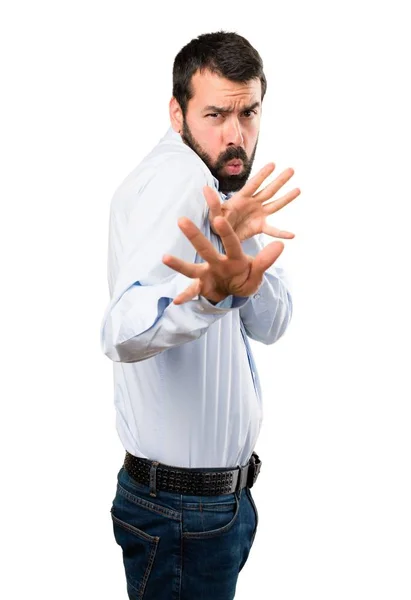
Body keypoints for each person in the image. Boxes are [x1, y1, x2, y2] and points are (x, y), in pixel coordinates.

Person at [100, 30, 300, 600]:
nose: (235, 136)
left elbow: (273, 324)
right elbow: (121, 330)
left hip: (211, 508)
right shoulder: (178, 178)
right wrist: (210, 298)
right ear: (177, 111)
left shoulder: (221, 187)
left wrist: (242, 280)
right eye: (215, 114)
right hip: (182, 512)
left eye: (249, 113)